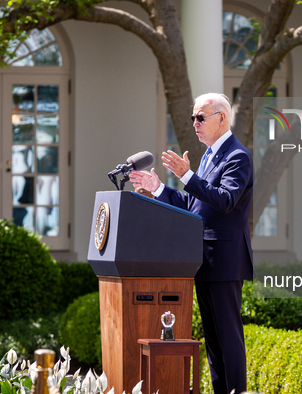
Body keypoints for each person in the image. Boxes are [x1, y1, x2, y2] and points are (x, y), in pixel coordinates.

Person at [130, 93, 253, 394]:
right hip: (202, 259)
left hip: (224, 260)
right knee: (212, 340)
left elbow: (225, 200)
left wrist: (188, 175)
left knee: (229, 338)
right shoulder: (210, 155)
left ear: (221, 118)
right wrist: (158, 188)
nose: (195, 124)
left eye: (201, 117)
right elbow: (193, 203)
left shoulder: (238, 156)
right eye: (193, 118)